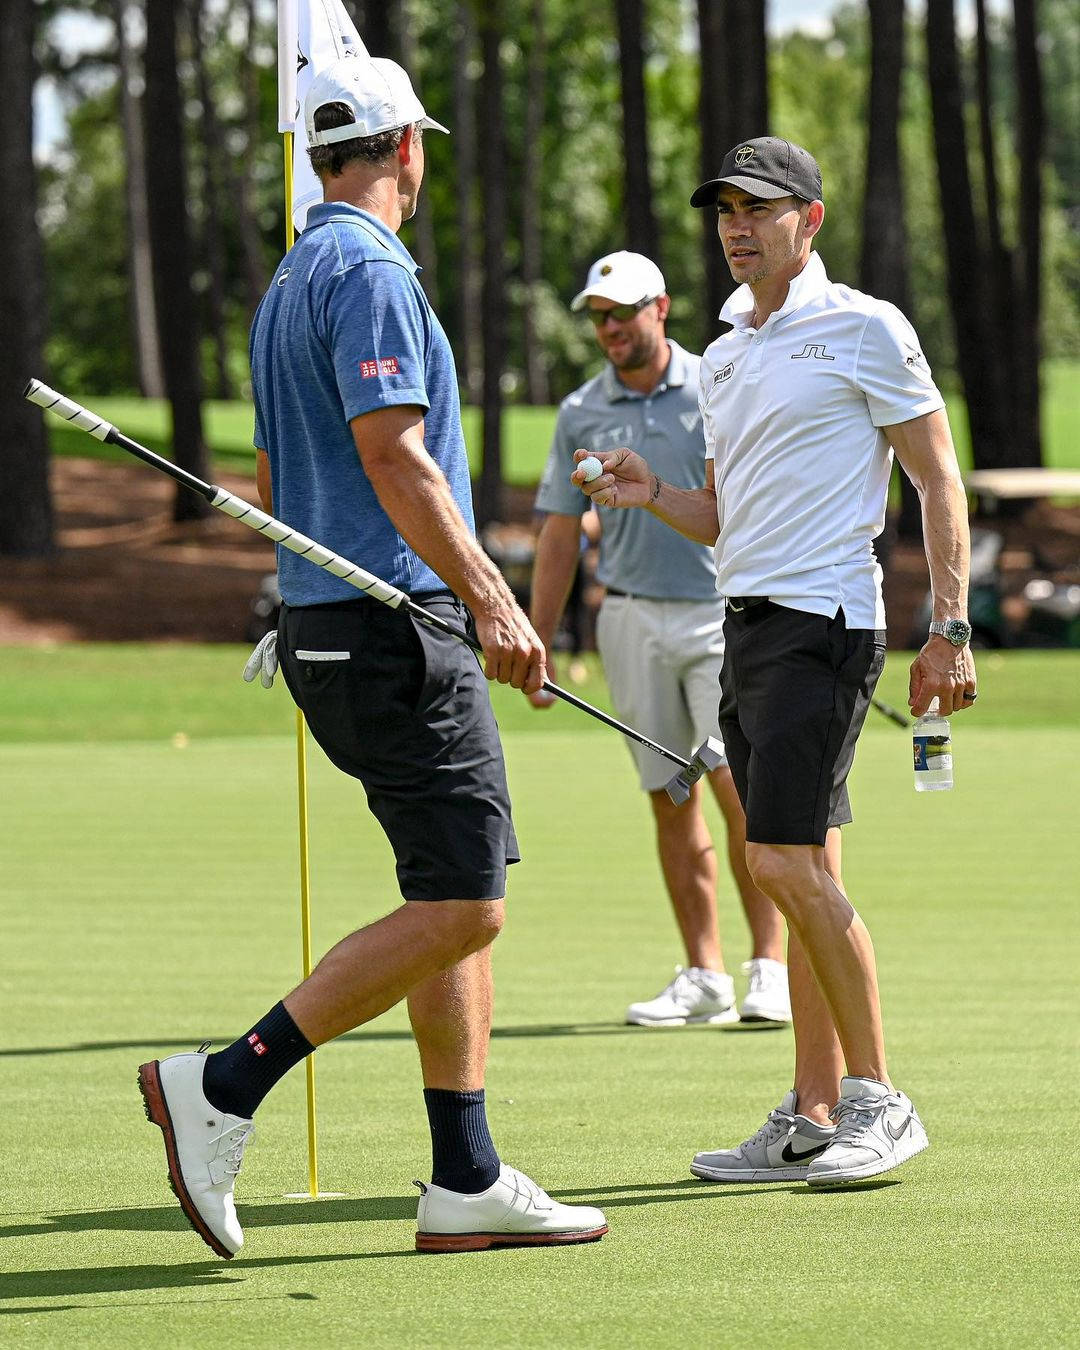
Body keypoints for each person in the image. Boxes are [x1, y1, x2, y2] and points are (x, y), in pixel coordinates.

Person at [137, 55, 606, 1257]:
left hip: (330, 627)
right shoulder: (371, 270)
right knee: (465, 903)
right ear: (408, 149)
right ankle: (224, 1084)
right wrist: (493, 599)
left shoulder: (292, 276)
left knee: (445, 893)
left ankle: (465, 1178)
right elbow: (397, 457)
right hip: (392, 628)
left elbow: (277, 482)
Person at [572, 137, 978, 1187]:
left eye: (757, 208)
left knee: (779, 860)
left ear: (812, 217)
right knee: (806, 867)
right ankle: (811, 1111)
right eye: (723, 212)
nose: (736, 227)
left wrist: (951, 627)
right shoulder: (730, 354)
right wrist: (649, 493)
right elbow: (722, 513)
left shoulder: (864, 328)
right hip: (744, 626)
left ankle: (880, 1099)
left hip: (826, 624)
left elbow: (938, 481)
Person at [530, 251, 790, 1028]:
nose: (609, 328)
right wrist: (537, 638)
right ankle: (703, 974)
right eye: (598, 316)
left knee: (739, 791)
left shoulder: (718, 381)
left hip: (721, 614)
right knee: (668, 796)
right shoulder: (581, 409)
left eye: (622, 312)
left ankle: (767, 966)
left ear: (661, 308)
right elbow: (556, 530)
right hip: (632, 619)